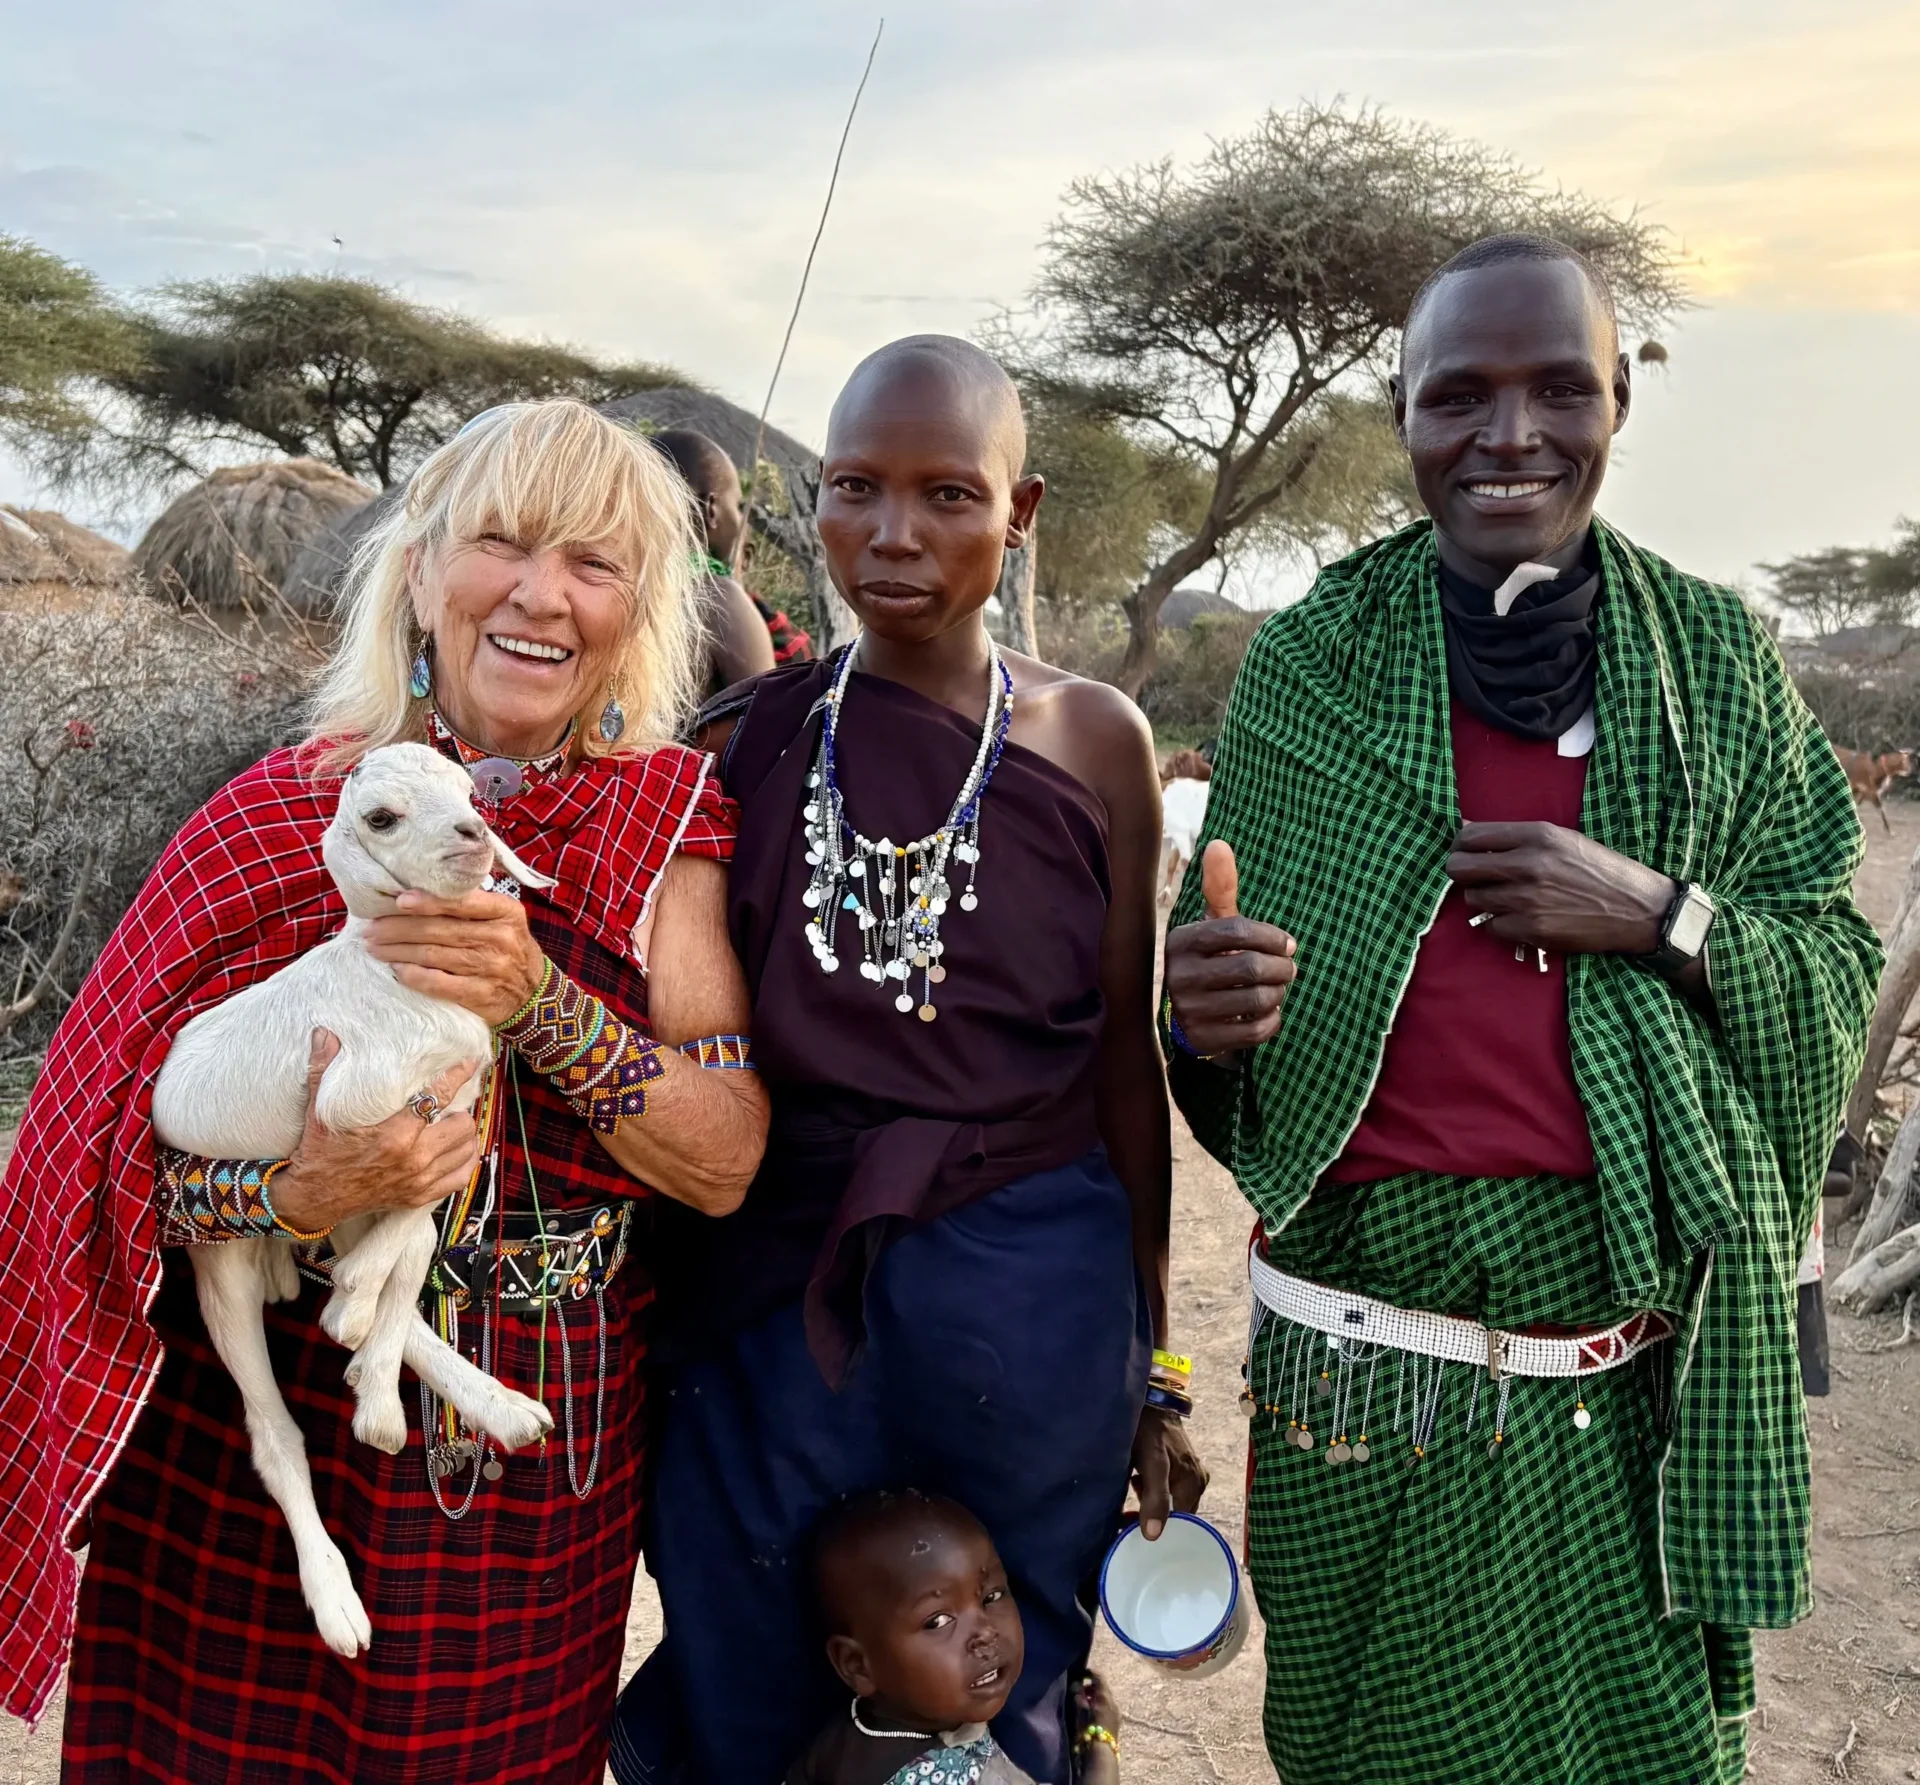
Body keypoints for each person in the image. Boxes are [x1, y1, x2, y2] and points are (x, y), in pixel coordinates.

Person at [1163, 234, 1881, 1785]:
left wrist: (1657, 913)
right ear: (1402, 410)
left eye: (1561, 388)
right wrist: (1199, 1014)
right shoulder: (1311, 670)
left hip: (1632, 1379)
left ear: (1619, 397)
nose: (1512, 435)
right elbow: (1214, 994)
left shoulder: (1717, 668)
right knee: (1364, 1753)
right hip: (1365, 1384)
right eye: (1460, 395)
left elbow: (1826, 976)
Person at [0, 400, 770, 1781]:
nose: (541, 595)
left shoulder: (668, 822)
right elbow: (95, 1160)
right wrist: (291, 1191)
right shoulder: (282, 815)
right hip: (248, 1455)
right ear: (420, 571)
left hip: (533, 1451)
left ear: (638, 609)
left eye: (593, 563)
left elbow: (722, 1160)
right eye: (500, 544)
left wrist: (534, 997)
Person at [610, 336, 1205, 1785]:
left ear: (1025, 510)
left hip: (1034, 1302)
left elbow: (1126, 1067)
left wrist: (1156, 1368)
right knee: (752, 1648)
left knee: (1007, 1672)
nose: (893, 533)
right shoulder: (746, 740)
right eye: (857, 489)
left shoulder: (1097, 739)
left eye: (949, 493)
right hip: (769, 1290)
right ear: (811, 500)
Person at [784, 1489, 1121, 1785]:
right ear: (857, 1664)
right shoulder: (962, 1776)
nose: (986, 1632)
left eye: (991, 1596)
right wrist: (1102, 1742)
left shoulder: (840, 1743)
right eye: (939, 1620)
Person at [646, 427, 791, 688]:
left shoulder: (608, 583)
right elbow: (769, 720)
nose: (738, 519)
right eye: (736, 505)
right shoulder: (718, 599)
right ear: (711, 509)